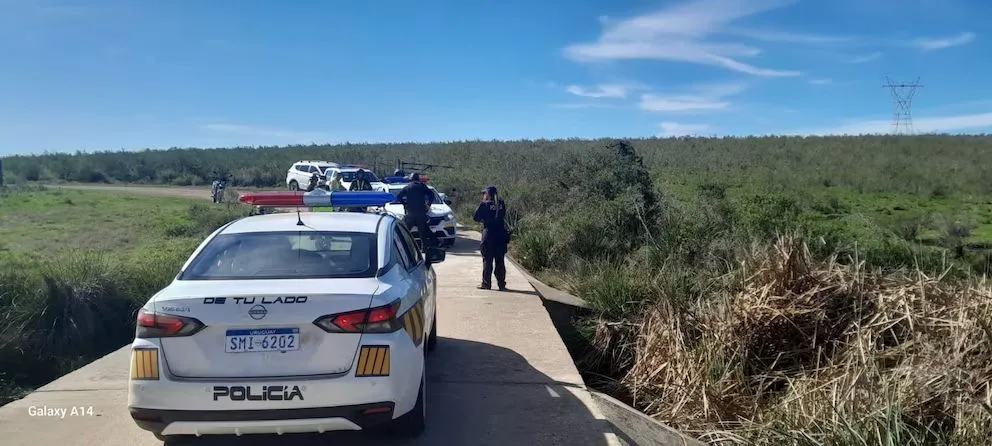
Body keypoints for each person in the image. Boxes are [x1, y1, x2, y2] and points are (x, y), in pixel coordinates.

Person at [473, 185, 509, 291]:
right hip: (501, 235)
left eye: (485, 193)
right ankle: (501, 284)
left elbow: (476, 217)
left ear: (488, 194)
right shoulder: (501, 203)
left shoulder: (484, 204)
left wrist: (485, 219)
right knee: (500, 261)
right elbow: (503, 215)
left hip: (489, 234)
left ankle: (486, 283)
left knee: (487, 260)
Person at [396, 173, 437, 251]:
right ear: (418, 179)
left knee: (405, 231)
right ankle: (424, 249)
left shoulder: (407, 187)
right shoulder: (422, 186)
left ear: (410, 179)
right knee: (422, 232)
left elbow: (398, 197)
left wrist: (405, 204)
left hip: (410, 213)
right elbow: (432, 194)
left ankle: (403, 247)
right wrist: (428, 204)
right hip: (421, 213)